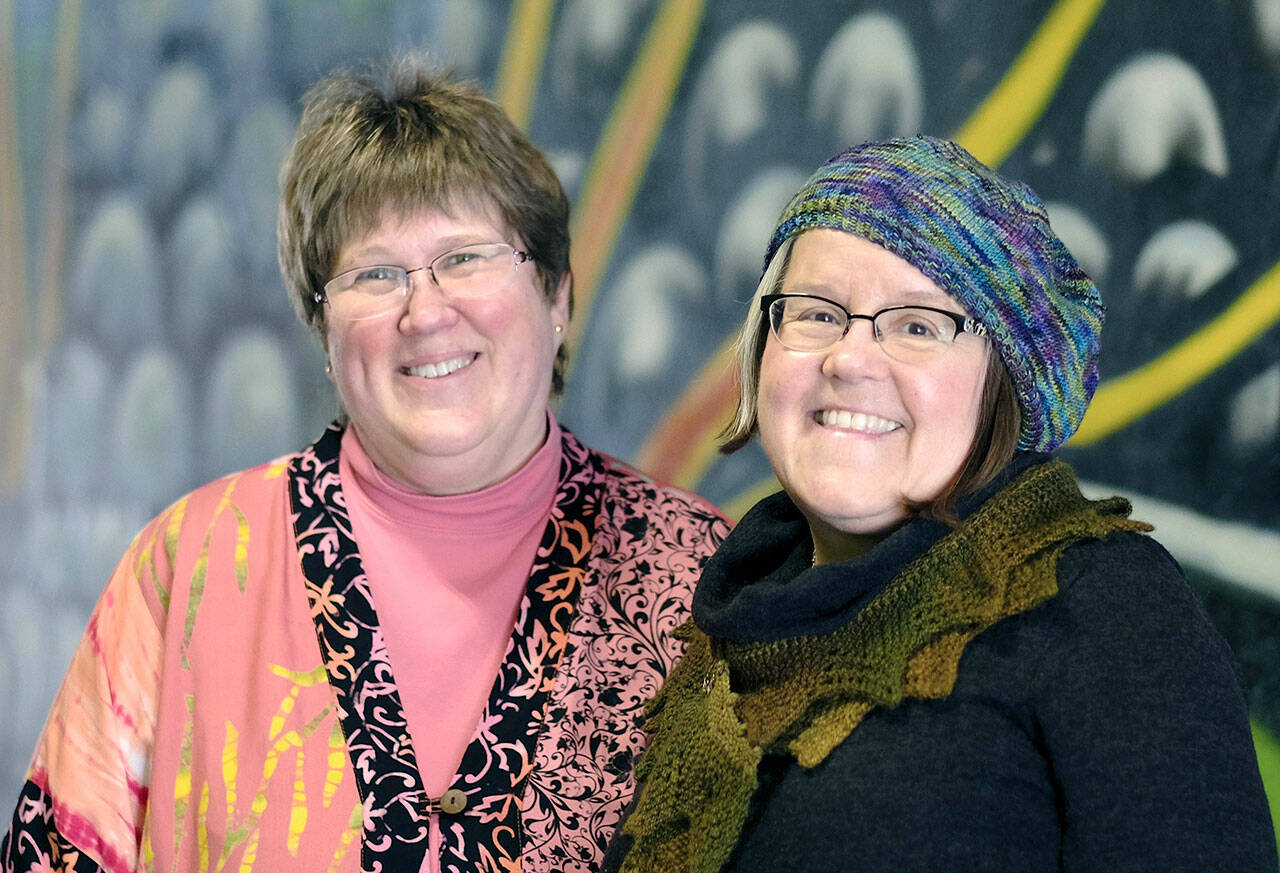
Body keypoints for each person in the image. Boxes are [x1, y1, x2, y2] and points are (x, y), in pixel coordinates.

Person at [3, 56, 729, 873]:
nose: (425, 312)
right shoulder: (188, 568)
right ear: (325, 334)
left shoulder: (705, 574)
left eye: (467, 257)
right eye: (375, 274)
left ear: (557, 295)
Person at [603, 136, 1278, 872]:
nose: (850, 357)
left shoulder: (1098, 604)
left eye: (918, 325)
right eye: (817, 313)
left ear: (1003, 383)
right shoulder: (724, 637)